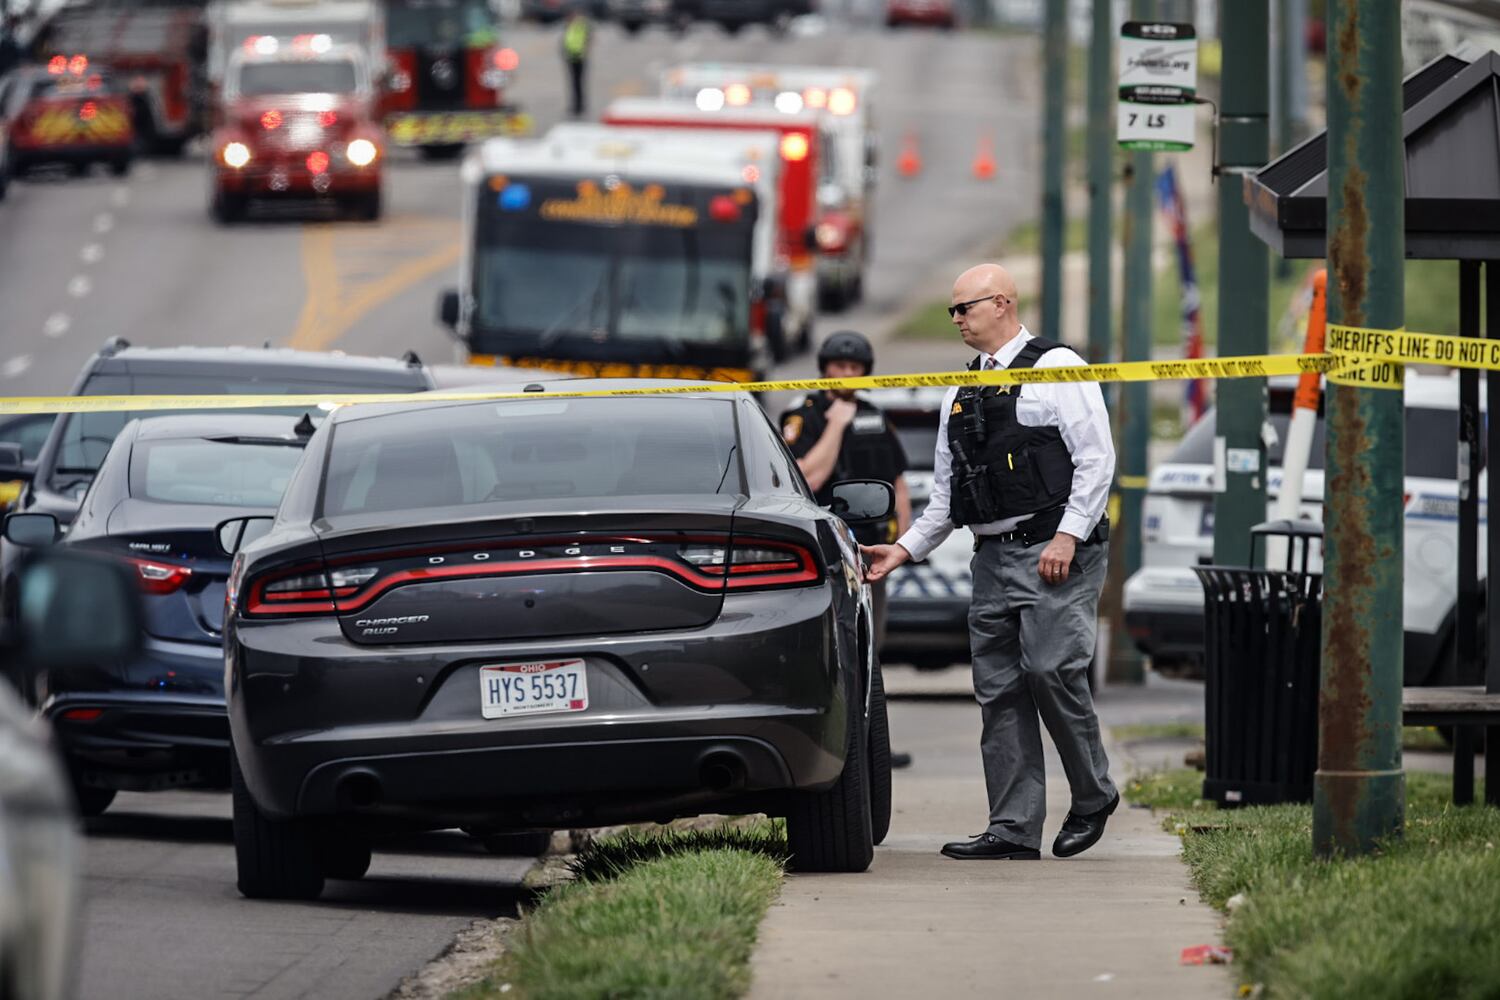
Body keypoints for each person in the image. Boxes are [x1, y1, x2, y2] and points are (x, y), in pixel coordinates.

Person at [861, 263, 1118, 861]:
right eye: (952, 311)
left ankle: (1093, 792)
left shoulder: (1058, 368)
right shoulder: (962, 389)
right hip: (992, 559)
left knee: (1051, 670)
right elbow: (948, 500)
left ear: (1001, 303)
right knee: (998, 691)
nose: (955, 319)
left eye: (964, 308)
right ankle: (1012, 828)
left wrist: (1068, 536)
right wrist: (901, 550)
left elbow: (1096, 460)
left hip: (1054, 552)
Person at [781, 330, 914, 768]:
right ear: (824, 370)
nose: (846, 375)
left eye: (854, 369)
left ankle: (873, 744)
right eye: (838, 367)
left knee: (871, 650)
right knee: (835, 650)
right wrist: (836, 424)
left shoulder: (876, 417)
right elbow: (808, 478)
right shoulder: (805, 416)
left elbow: (896, 480)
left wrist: (905, 542)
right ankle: (839, 742)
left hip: (873, 551)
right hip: (830, 553)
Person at [560, 8, 590, 119]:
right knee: (574, 83)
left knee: (578, 84)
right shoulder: (571, 25)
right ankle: (576, 106)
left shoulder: (579, 25)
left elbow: (587, 39)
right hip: (572, 57)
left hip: (578, 58)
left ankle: (579, 106)